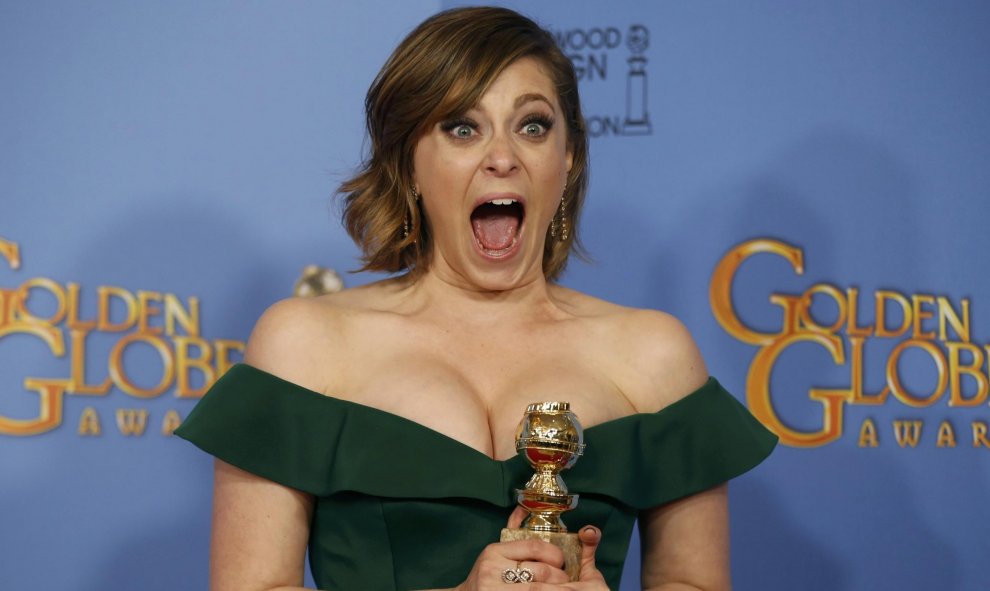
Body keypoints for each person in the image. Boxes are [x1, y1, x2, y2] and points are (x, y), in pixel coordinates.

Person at [176, 6, 776, 591]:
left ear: (567, 160)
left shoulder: (653, 355)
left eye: (532, 125)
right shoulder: (305, 345)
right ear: (407, 160)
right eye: (463, 127)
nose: (502, 157)